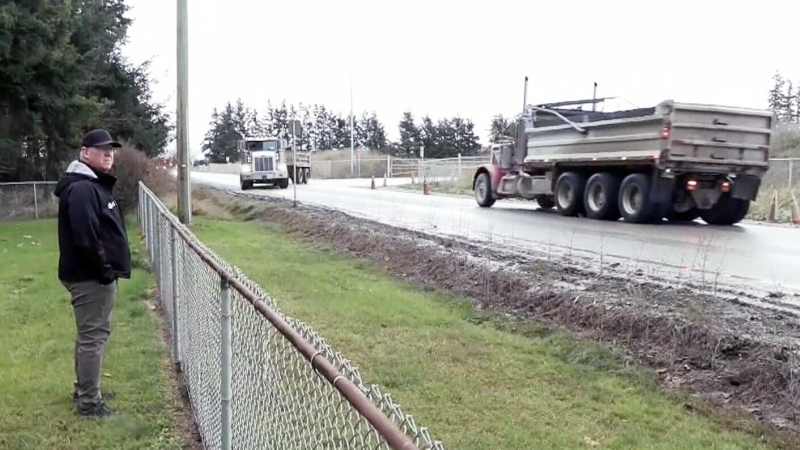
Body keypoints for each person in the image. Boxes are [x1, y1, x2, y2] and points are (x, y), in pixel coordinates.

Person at [54, 129, 131, 418]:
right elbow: (85, 237)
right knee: (93, 337)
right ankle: (89, 402)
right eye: (102, 149)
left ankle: (86, 389)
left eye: (111, 149)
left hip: (89, 274)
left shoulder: (92, 185)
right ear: (85, 153)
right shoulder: (84, 189)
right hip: (89, 277)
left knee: (89, 334)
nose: (108, 154)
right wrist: (105, 271)